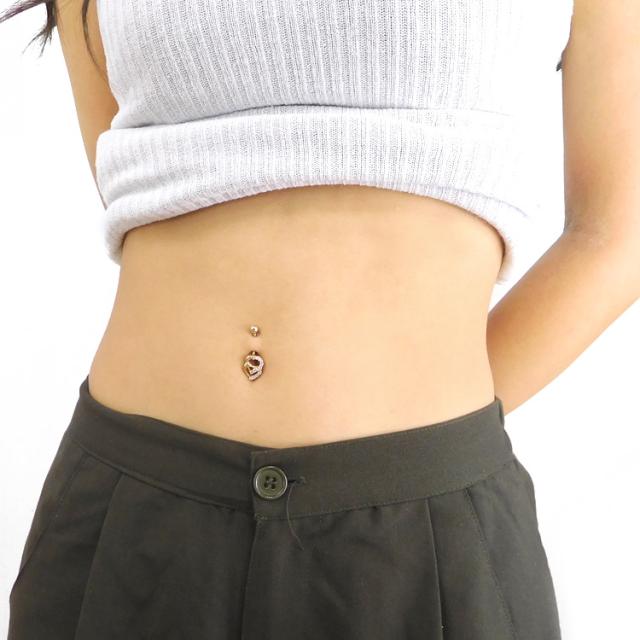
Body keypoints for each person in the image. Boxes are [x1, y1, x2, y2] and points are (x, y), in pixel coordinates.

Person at [2, 0, 639, 638]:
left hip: (423, 535)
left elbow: (617, 233)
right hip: (129, 508)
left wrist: (422, 414)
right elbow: (133, 182)